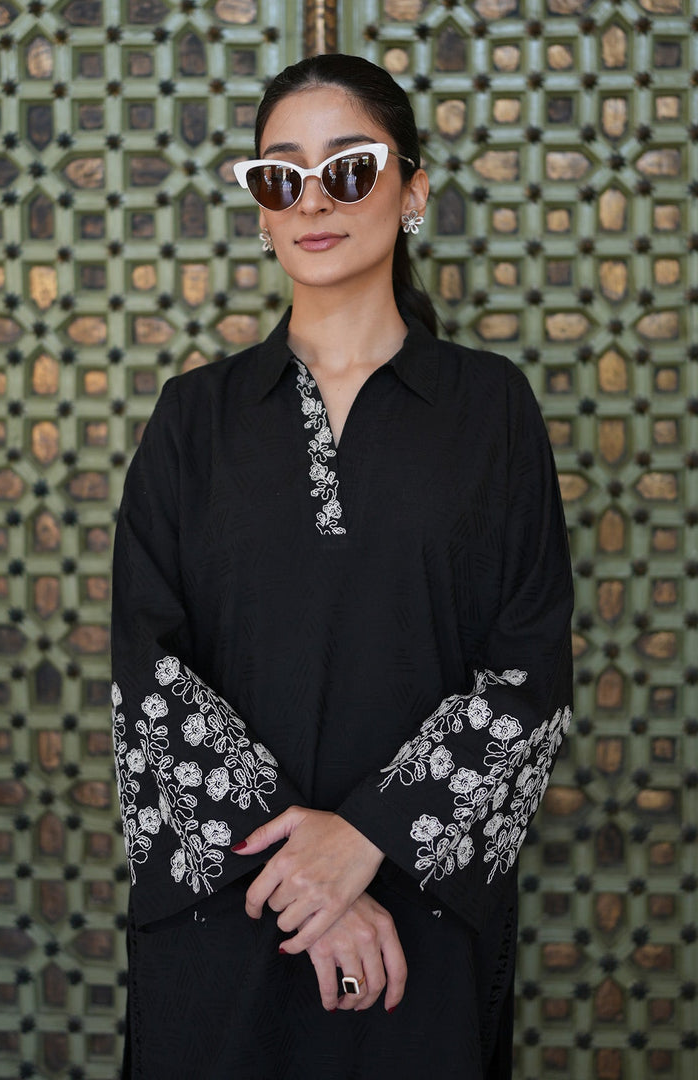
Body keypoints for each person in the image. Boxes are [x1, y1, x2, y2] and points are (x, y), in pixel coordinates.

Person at [111, 53, 574, 1080]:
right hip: (228, 910)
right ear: (261, 209)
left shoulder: (491, 409)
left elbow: (530, 670)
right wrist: (305, 881)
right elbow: (148, 671)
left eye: (350, 168)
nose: (313, 200)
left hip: (418, 919)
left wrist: (367, 841)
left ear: (412, 190)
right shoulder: (195, 418)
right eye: (282, 176)